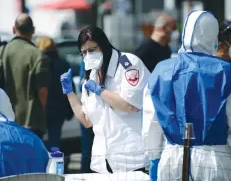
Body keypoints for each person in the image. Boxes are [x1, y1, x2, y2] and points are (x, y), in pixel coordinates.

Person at [142, 11, 231, 181]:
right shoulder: (227, 72)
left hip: (172, 157)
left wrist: (154, 158)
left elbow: (151, 122)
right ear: (213, 36)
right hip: (215, 158)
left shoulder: (160, 71)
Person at [60, 26, 150, 173]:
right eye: (84, 52)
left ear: (104, 45)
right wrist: (70, 93)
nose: (88, 55)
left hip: (132, 159)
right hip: (102, 162)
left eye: (92, 50)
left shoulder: (127, 64)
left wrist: (101, 91)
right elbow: (86, 120)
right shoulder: (92, 76)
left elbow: (130, 105)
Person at [0, 13, 49, 138]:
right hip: (31, 122)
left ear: (13, 29)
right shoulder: (38, 55)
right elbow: (42, 90)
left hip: (4, 121)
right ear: (33, 30)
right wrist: (42, 111)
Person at [35, 36, 73, 149]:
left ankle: (41, 165)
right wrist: (69, 110)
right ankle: (55, 164)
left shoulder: (36, 63)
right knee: (54, 141)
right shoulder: (63, 63)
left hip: (40, 108)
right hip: (58, 109)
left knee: (37, 142)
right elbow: (69, 89)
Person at [78, 59, 95, 173]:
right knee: (87, 150)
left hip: (105, 111)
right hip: (89, 109)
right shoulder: (86, 60)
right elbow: (81, 83)